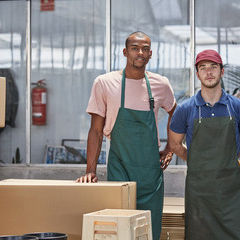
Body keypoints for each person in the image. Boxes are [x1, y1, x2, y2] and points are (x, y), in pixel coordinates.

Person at [76, 31, 176, 240]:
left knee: (148, 231)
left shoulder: (161, 84)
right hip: (119, 168)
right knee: (120, 230)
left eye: (145, 49)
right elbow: (96, 131)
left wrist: (170, 148)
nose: (140, 53)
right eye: (135, 48)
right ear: (125, 52)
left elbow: (176, 114)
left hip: (150, 172)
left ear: (150, 54)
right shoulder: (105, 83)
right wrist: (90, 170)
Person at [169, 49, 240, 239]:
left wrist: (225, 157)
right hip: (199, 190)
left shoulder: (239, 107)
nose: (209, 72)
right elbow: (175, 144)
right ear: (197, 73)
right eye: (203, 67)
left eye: (213, 67)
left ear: (221, 72)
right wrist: (196, 159)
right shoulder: (185, 109)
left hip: (229, 189)